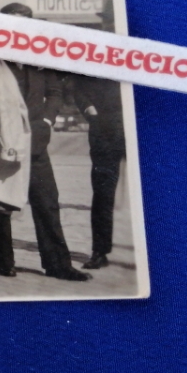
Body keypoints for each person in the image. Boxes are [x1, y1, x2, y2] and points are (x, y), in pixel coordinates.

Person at [0, 3, 90, 282]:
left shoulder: (38, 54)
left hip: (36, 140)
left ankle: (58, 264)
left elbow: (55, 92)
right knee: (0, 202)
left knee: (47, 201)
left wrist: (47, 121)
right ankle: (4, 261)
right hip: (2, 138)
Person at [68, 73, 125, 269]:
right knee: (103, 193)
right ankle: (100, 251)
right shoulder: (92, 56)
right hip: (105, 127)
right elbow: (77, 88)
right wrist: (90, 110)